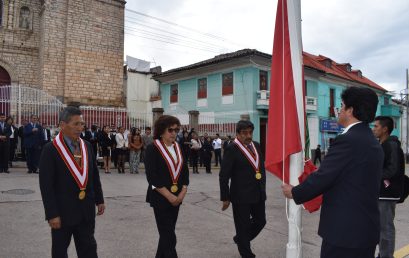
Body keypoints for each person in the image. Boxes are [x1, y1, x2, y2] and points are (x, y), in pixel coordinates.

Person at [282, 87, 383, 258]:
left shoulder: (348, 140)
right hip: (365, 230)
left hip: (345, 233)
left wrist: (295, 192)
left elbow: (324, 177)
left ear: (350, 110)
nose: (339, 110)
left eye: (342, 105)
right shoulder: (372, 141)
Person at [39, 106, 105, 258]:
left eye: (82, 124)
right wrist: (52, 214)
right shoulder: (50, 150)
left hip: (86, 211)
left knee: (89, 249)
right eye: (76, 124)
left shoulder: (87, 145)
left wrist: (99, 199)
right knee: (60, 252)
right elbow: (46, 186)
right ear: (63, 125)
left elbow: (94, 175)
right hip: (62, 214)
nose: (80, 128)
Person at [219, 120, 266, 258]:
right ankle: (246, 253)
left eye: (250, 132)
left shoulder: (256, 146)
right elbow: (224, 175)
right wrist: (225, 197)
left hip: (258, 194)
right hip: (240, 195)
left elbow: (260, 169)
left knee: (261, 221)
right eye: (245, 133)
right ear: (238, 134)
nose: (248, 135)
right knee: (243, 226)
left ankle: (240, 239)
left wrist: (262, 189)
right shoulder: (232, 149)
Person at [145, 115, 189, 258]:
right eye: (170, 130)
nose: (174, 133)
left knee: (166, 234)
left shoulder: (179, 147)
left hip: (177, 198)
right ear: (161, 130)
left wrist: (182, 193)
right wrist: (169, 196)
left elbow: (184, 172)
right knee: (169, 236)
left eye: (177, 130)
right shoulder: (153, 148)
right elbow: (152, 176)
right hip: (160, 197)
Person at [372, 116, 405, 258]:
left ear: (385, 129)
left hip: (387, 193)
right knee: (380, 227)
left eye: (376, 126)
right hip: (381, 193)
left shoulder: (390, 145)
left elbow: (392, 169)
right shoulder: (382, 144)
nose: (373, 129)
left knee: (386, 228)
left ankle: (386, 256)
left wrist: (372, 175)